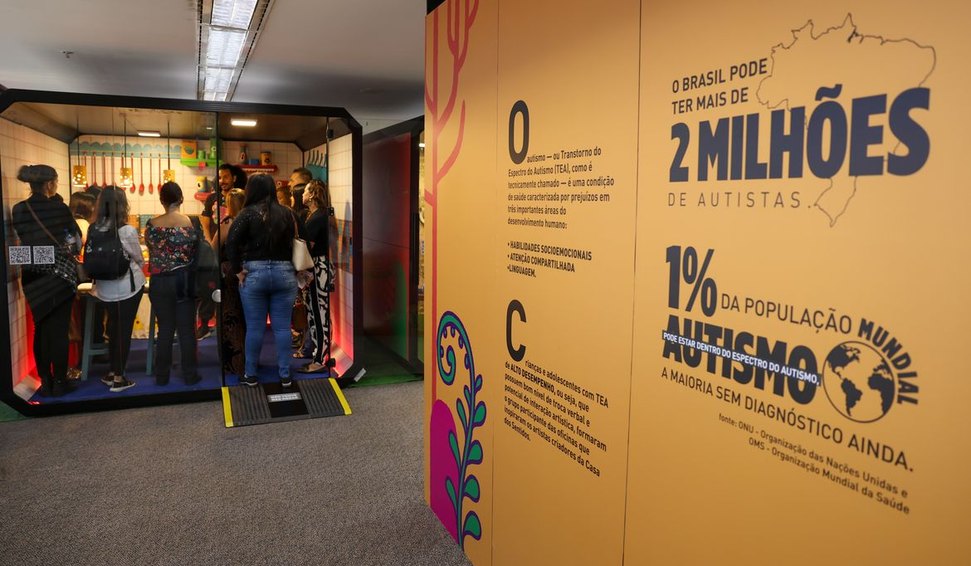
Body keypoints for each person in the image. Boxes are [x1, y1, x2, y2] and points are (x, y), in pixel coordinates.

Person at [11, 165, 82, 397]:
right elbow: (75, 240)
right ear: (50, 184)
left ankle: (45, 381)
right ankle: (60, 381)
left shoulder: (18, 209)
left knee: (40, 327)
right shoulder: (58, 208)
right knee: (59, 330)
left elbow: (25, 241)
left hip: (32, 274)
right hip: (59, 276)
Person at [225, 174, 298, 388]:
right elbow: (302, 239)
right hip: (285, 273)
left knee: (255, 328)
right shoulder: (287, 213)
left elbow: (231, 243)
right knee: (282, 329)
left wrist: (238, 270)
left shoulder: (246, 214)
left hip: (254, 274)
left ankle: (251, 375)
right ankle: (285, 375)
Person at [89, 187, 145, 392]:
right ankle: (119, 378)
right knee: (123, 331)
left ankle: (112, 372)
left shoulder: (94, 228)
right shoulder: (126, 230)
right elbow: (139, 258)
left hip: (105, 288)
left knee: (113, 329)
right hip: (127, 288)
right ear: (122, 205)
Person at [145, 182, 201, 386]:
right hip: (183, 280)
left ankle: (162, 376)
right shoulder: (191, 223)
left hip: (159, 281)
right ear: (181, 199)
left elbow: (150, 248)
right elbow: (197, 252)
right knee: (186, 330)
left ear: (162, 200)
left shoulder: (152, 224)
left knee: (165, 329)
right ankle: (190, 375)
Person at [197, 164, 246, 339]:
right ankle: (205, 324)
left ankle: (231, 326)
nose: (222, 181)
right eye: (220, 177)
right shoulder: (213, 198)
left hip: (235, 255)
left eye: (225, 177)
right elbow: (204, 220)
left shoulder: (241, 196)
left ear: (234, 178)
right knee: (210, 289)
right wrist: (210, 242)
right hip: (216, 250)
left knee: (232, 292)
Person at [295, 180, 339, 374]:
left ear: (312, 194)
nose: (302, 194)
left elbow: (307, 247)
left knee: (319, 315)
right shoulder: (320, 215)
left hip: (317, 268)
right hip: (320, 267)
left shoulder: (317, 217)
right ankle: (319, 354)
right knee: (317, 313)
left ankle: (320, 358)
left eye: (305, 191)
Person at [209, 189, 246, 376]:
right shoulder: (251, 222)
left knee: (230, 318)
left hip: (229, 274)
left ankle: (233, 363)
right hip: (248, 273)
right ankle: (246, 360)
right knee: (245, 318)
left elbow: (214, 248)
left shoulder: (227, 223)